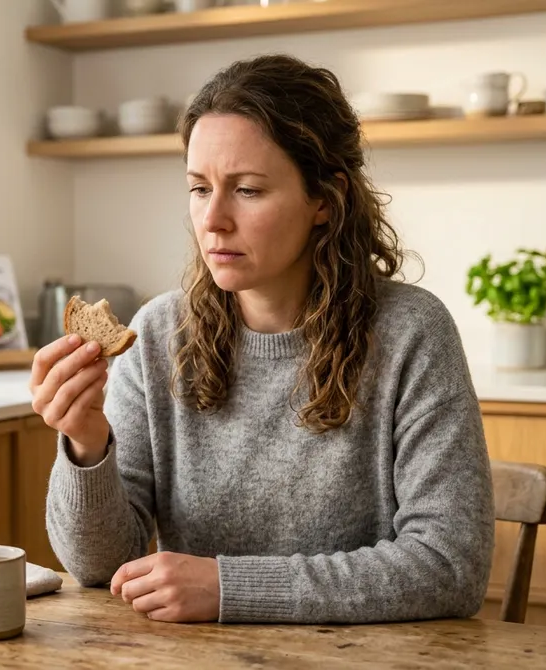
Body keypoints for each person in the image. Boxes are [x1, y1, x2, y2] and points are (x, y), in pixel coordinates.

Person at [28, 54, 494, 625]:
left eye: (247, 190)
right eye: (200, 189)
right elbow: (101, 567)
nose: (213, 220)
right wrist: (85, 444)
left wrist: (230, 588)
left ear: (325, 200)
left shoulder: (411, 334)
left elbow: (449, 568)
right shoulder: (155, 336)